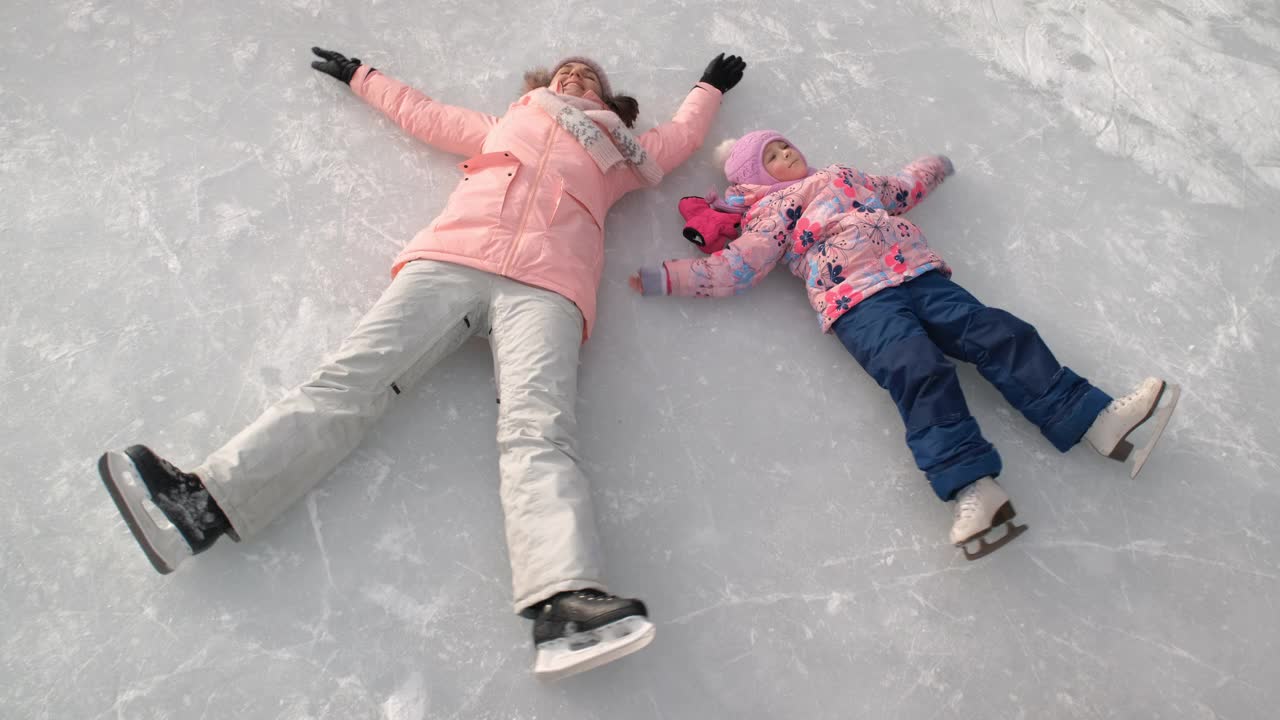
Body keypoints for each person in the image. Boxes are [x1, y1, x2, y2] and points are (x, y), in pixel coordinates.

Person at [96, 46, 747, 680]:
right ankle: (203, 506)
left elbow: (681, 136)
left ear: (608, 100)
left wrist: (707, 89)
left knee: (540, 434)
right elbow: (426, 115)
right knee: (349, 382)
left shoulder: (622, 157)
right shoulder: (506, 123)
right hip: (454, 261)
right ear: (544, 83)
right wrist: (363, 76)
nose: (576, 74)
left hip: (549, 286)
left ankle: (564, 604)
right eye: (566, 70)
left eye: (589, 75)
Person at [630, 130, 1179, 560]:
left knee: (999, 333)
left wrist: (933, 166)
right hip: (858, 303)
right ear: (753, 175)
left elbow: (900, 189)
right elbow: (738, 267)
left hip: (920, 276)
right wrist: (670, 278)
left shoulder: (844, 177)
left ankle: (1097, 421)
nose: (786, 153)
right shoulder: (770, 214)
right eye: (770, 155)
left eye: (785, 144)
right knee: (918, 372)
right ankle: (973, 489)